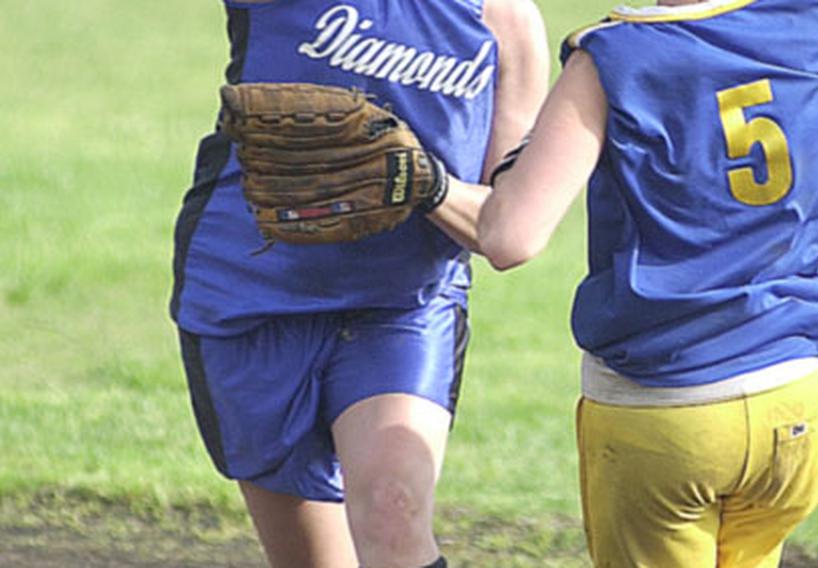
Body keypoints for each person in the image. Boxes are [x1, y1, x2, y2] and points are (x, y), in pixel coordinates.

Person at [453, 0, 818, 566]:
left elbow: (509, 237)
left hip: (668, 408)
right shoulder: (810, 15)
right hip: (801, 392)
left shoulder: (611, 58)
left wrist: (421, 181)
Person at [169, 0, 549, 567]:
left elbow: (506, 225)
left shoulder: (505, 20)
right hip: (251, 292)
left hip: (403, 306)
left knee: (394, 514)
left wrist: (428, 186)